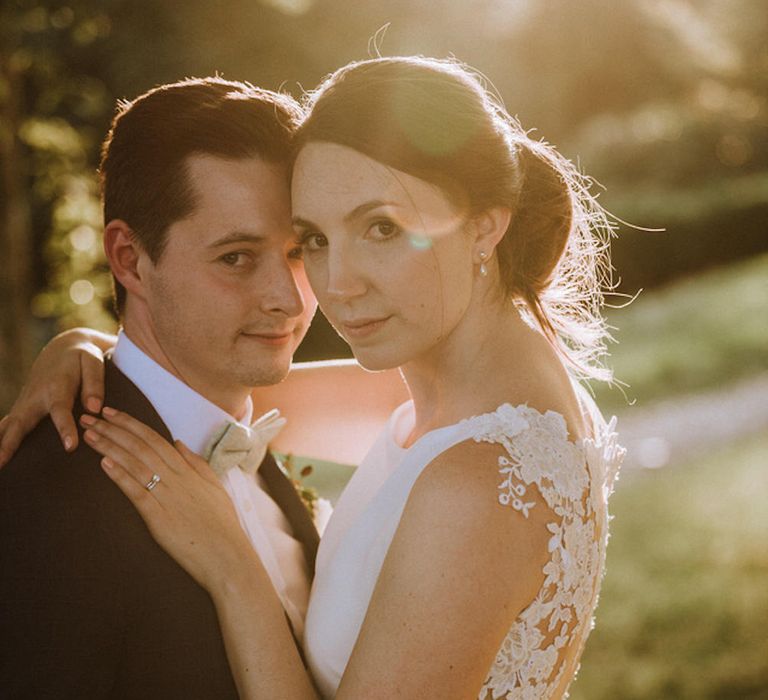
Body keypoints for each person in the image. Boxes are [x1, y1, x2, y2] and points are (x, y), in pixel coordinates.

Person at [1, 56, 625, 699]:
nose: (322, 292)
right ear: (130, 260)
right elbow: (202, 390)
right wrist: (88, 344)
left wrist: (235, 573)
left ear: (485, 227)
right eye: (315, 242)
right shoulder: (463, 396)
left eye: (382, 228)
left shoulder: (479, 476)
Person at [0, 76, 405, 699]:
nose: (288, 299)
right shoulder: (41, 505)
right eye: (236, 257)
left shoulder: (262, 434)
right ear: (130, 259)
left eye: (299, 250)